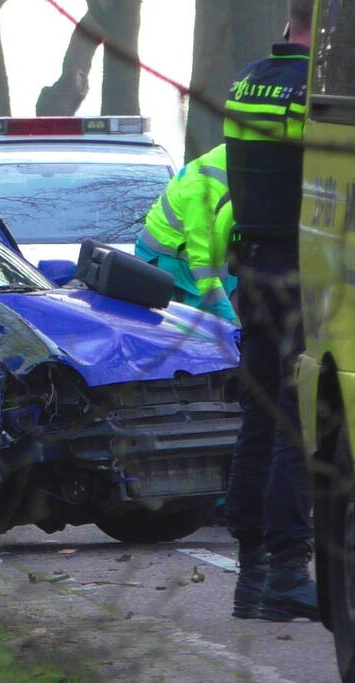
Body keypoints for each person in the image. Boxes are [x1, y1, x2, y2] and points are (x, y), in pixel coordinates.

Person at [223, 0, 316, 622]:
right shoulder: (313, 93)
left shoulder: (247, 82)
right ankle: (288, 568)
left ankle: (252, 574)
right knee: (295, 420)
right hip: (298, 269)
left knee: (259, 420)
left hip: (251, 268)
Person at [135, 143, 238, 323]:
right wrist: (228, 316)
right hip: (170, 268)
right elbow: (201, 261)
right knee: (188, 330)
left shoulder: (232, 161)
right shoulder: (200, 190)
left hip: (195, 262)